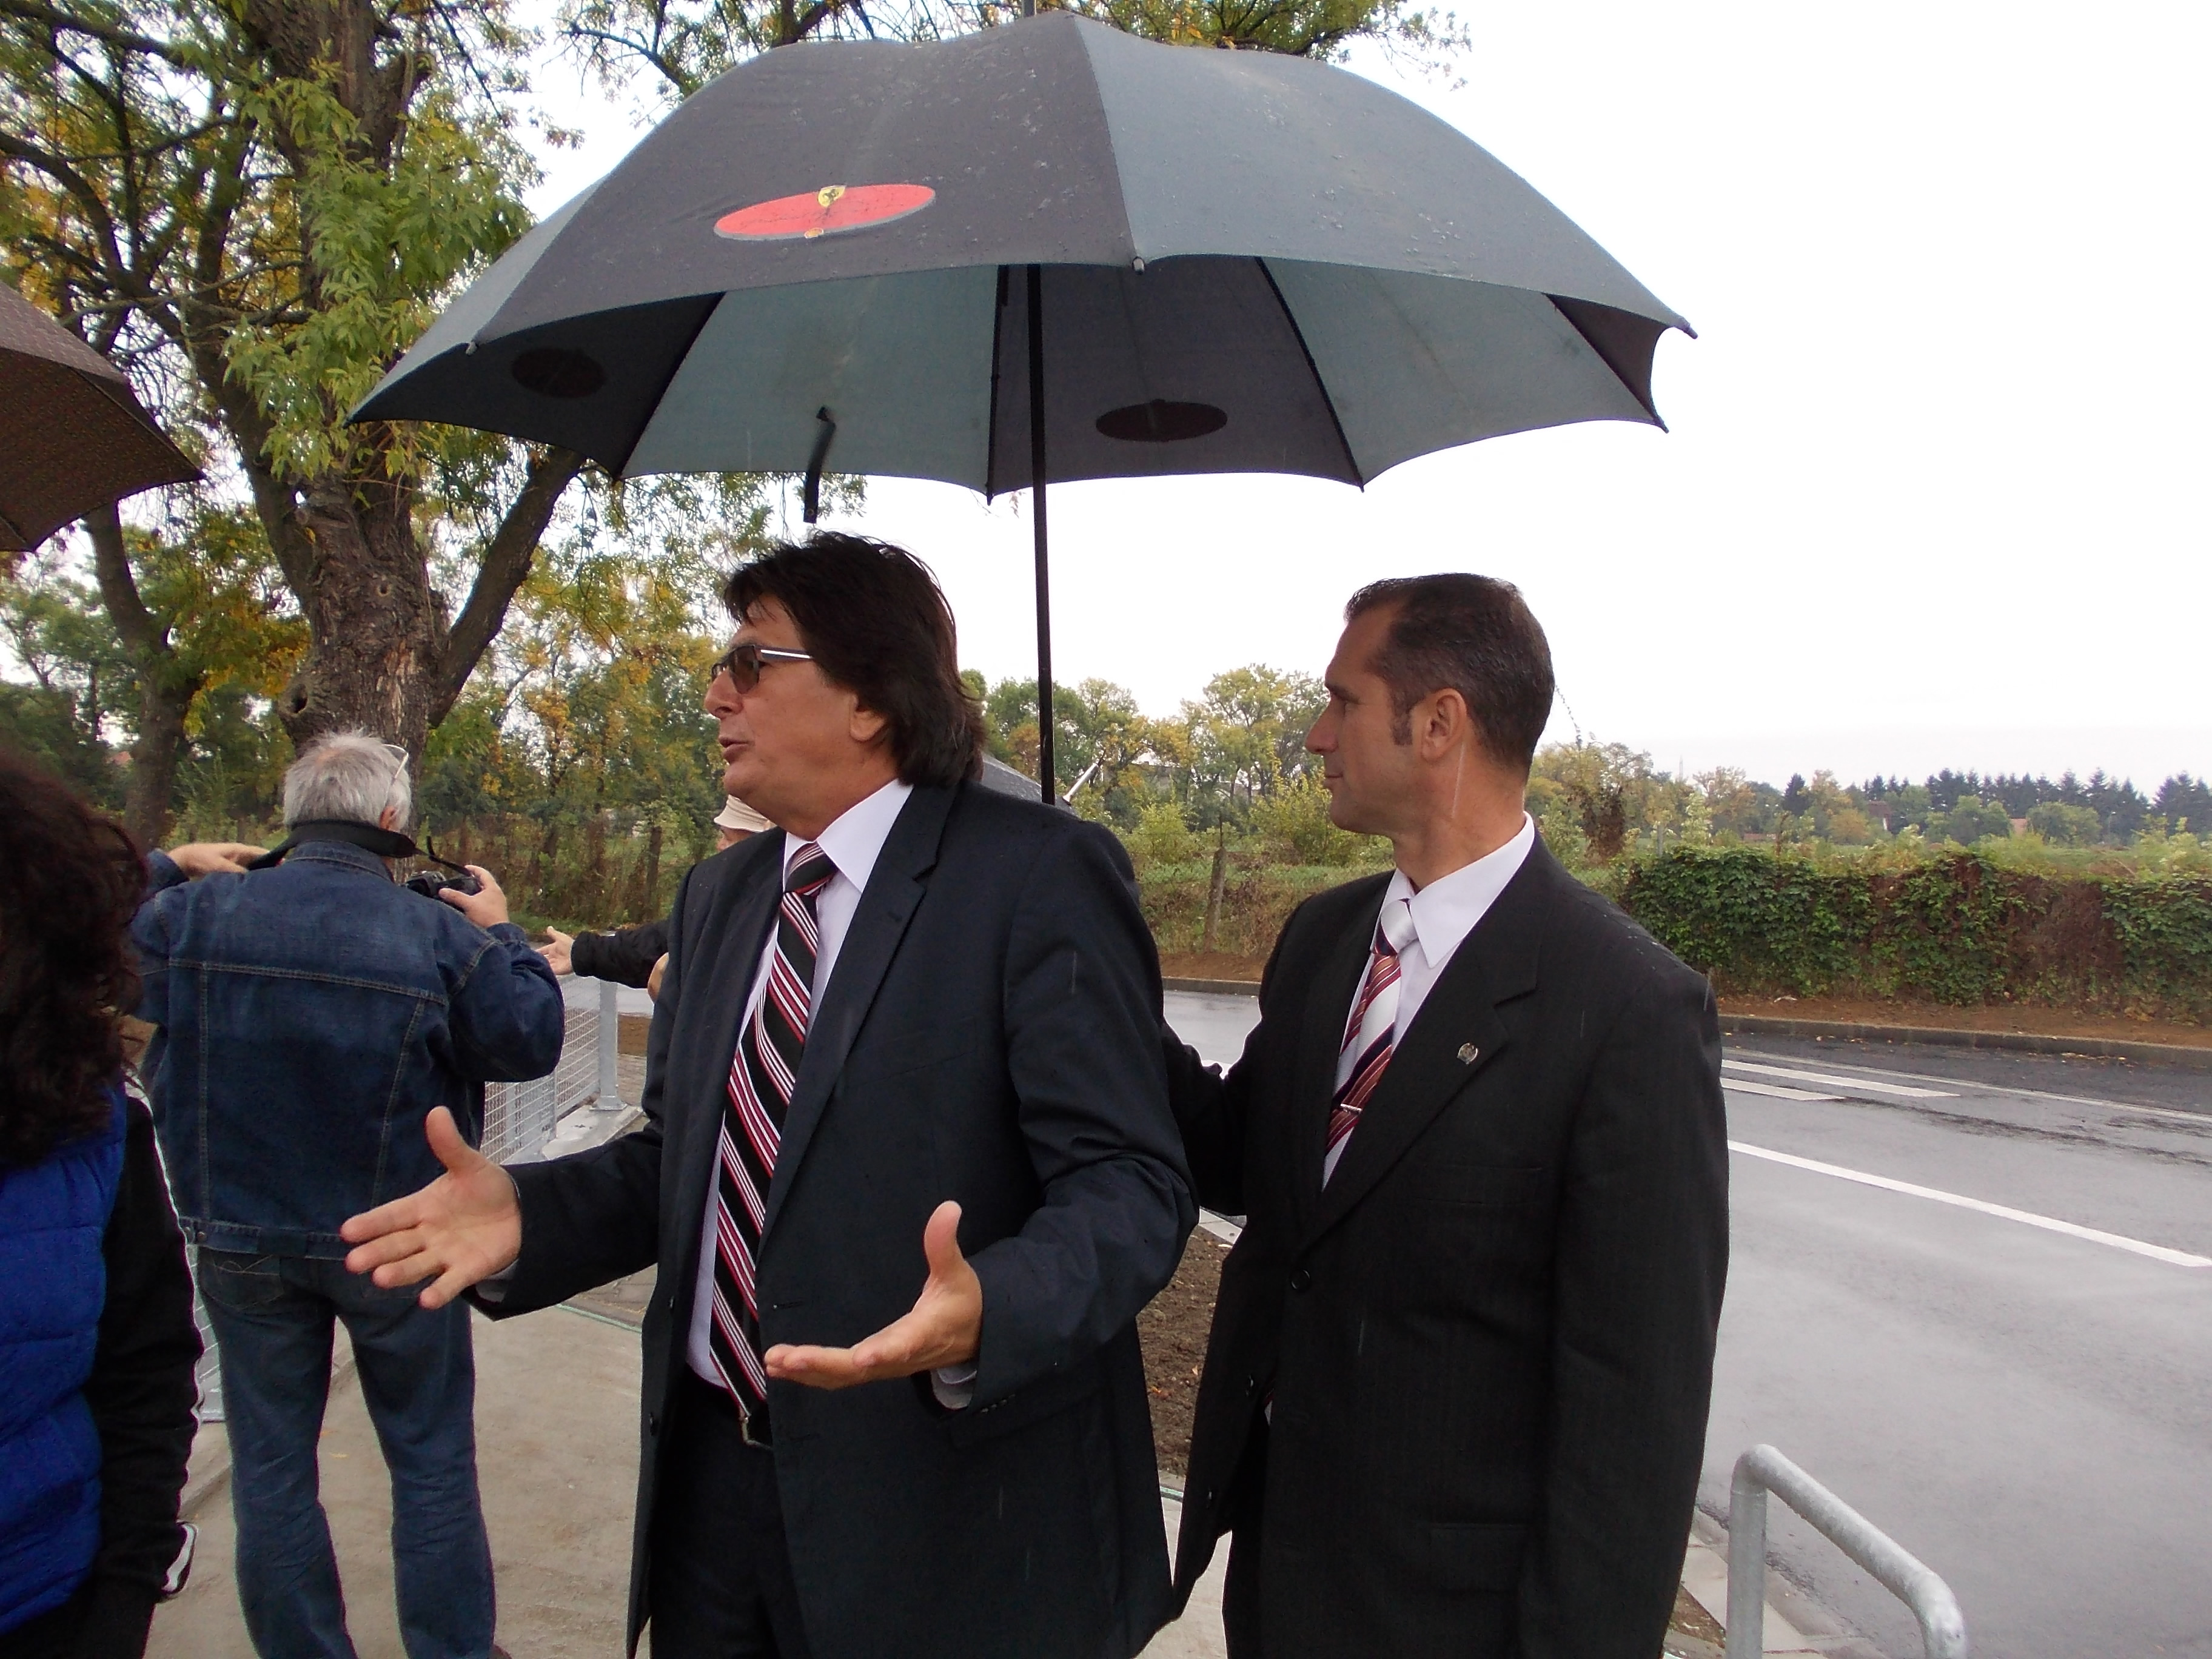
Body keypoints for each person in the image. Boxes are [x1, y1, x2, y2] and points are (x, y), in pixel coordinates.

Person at [341, 533, 1194, 1659]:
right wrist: (529, 1212)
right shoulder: (722, 894)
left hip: (937, 1509)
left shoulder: (1039, 874)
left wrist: (994, 1305)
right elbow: (681, 1159)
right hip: (711, 1491)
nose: (714, 695)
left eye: (751, 662)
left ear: (870, 697)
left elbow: (1131, 1185)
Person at [1162, 575, 1729, 1658]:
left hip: (1453, 1617)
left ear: (1437, 724)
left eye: (1342, 701)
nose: (1317, 734)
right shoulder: (1323, 940)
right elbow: (1239, 1160)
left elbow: (1634, 1416)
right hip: (1279, 1579)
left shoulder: (1627, 1010)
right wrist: (1092, 989)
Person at [131, 732, 563, 1659]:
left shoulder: (193, 916)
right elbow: (529, 1040)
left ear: (294, 815)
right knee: (430, 1459)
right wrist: (500, 930)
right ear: (392, 819)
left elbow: (83, 934)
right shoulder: (440, 936)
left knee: (271, 1466)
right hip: (402, 1237)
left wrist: (168, 863)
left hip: (240, 1236)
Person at [0, 750, 204, 1659]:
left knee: (279, 1457)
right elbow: (518, 1034)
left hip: (47, 1594)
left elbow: (146, 1368)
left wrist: (123, 1593)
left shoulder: (89, 1125)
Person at [541, 796, 770, 996]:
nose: (720, 846)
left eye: (727, 837)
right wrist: (580, 952)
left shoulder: (764, 918)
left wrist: (673, 1005)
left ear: (760, 841)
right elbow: (656, 944)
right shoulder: (728, 907)